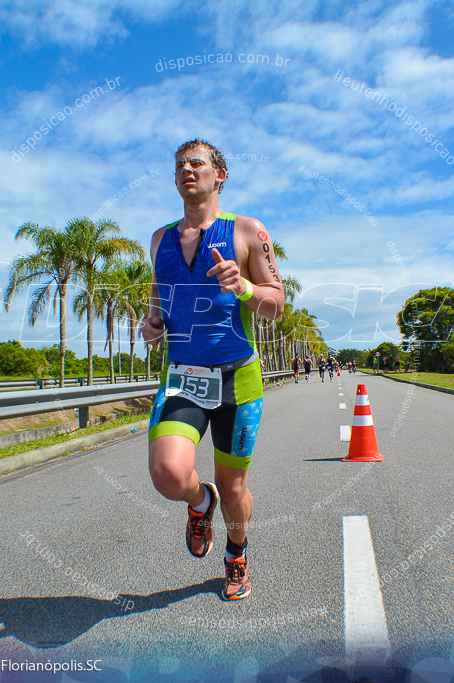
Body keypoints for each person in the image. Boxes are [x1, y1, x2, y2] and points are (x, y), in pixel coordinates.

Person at [141, 139, 285, 602]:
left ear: (219, 174)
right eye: (179, 164)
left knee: (234, 483)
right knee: (167, 473)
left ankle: (236, 554)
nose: (187, 169)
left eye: (197, 163)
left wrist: (243, 285)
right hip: (182, 375)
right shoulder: (160, 239)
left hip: (237, 380)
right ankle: (201, 502)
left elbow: (277, 305)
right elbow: (158, 300)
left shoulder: (247, 231)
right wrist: (153, 324)